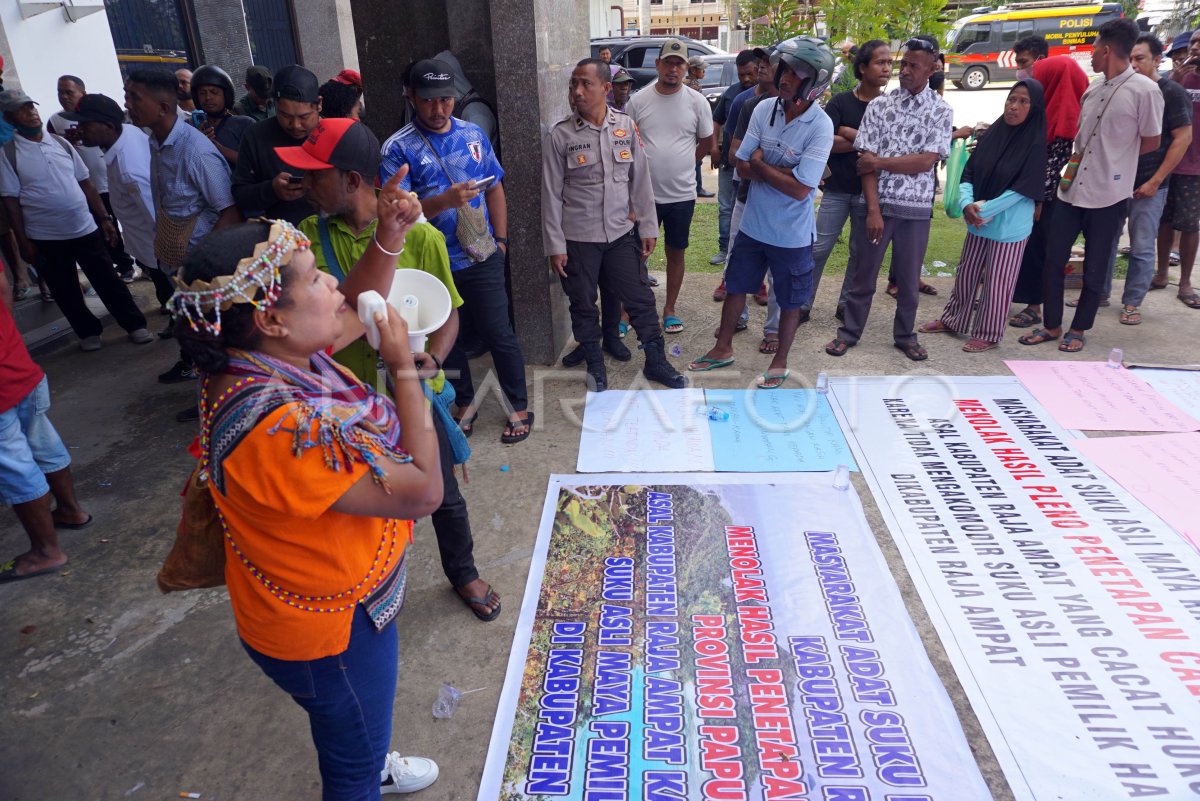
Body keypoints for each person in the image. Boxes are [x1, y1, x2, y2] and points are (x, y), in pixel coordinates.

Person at [172, 181, 444, 796]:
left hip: (323, 603)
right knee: (350, 765)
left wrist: (389, 240)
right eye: (318, 276)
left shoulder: (260, 359)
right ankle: (367, 764)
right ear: (270, 317)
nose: (335, 285)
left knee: (356, 733)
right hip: (328, 632)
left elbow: (346, 308)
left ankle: (370, 751)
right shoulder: (281, 429)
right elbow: (423, 491)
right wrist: (405, 367)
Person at [282, 117, 503, 624]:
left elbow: (447, 313)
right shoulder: (304, 245)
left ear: (353, 180)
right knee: (365, 502)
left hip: (414, 392)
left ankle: (463, 572)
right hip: (342, 402)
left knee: (442, 493)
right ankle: (374, 582)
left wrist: (434, 358)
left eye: (316, 176)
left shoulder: (421, 239)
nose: (304, 187)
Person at [381, 58, 532, 443]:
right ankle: (465, 402)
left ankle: (518, 405)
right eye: (429, 100)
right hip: (432, 262)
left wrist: (502, 241)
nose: (439, 109)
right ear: (411, 96)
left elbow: (495, 186)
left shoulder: (473, 135)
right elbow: (399, 214)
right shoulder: (397, 149)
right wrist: (443, 202)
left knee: (500, 332)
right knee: (450, 337)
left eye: (446, 100)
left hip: (482, 254)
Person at [689, 37, 835, 388]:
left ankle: (780, 359)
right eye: (783, 69)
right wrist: (783, 171)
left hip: (792, 235)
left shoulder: (820, 126)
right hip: (754, 225)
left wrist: (763, 166)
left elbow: (802, 188)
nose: (784, 78)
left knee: (789, 300)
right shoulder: (762, 109)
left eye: (795, 73)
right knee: (736, 285)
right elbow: (740, 164)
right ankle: (722, 347)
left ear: (814, 81)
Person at [543, 58, 687, 393]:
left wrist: (648, 226)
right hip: (578, 238)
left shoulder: (624, 127)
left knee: (639, 298)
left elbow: (640, 180)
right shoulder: (561, 136)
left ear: (606, 89)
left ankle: (656, 361)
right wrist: (555, 246)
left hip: (621, 233)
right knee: (582, 303)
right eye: (572, 84)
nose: (576, 92)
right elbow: (549, 194)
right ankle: (594, 363)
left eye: (585, 84)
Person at [1020, 18, 1162, 353]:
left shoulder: (1145, 90)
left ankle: (1079, 328)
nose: (1092, 54)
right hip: (1072, 188)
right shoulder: (1094, 87)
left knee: (1096, 267)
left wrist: (1115, 161)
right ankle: (1052, 325)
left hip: (1110, 194)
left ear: (1107, 49)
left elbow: (1152, 141)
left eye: (1095, 47)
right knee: (1054, 259)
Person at [824, 36, 953, 362]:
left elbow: (925, 161)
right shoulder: (881, 106)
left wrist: (881, 162)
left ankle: (906, 336)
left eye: (914, 65)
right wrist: (872, 209)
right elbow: (863, 161)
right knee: (863, 276)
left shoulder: (940, 110)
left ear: (931, 68)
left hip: (917, 211)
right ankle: (849, 333)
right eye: (903, 63)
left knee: (909, 282)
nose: (905, 70)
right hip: (879, 207)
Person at [0, 89, 152, 351]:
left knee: (108, 280)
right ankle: (88, 332)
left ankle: (134, 324)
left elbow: (87, 184)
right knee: (65, 289)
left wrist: (104, 219)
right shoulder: (9, 154)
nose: (31, 112)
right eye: (22, 109)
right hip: (45, 234)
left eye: (31, 106)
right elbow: (11, 204)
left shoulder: (61, 143)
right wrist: (24, 242)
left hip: (83, 227)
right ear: (9, 118)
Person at [123, 70, 240, 385]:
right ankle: (208, 394)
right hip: (178, 263)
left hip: (202, 272)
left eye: (134, 97)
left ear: (162, 108)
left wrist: (197, 267)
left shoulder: (195, 151)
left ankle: (223, 398)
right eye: (127, 94)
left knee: (219, 341)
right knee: (198, 337)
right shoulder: (155, 142)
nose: (127, 103)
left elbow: (229, 212)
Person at [918, 80, 1047, 352]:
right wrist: (967, 205)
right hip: (977, 222)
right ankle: (953, 320)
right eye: (1012, 99)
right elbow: (970, 173)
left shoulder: (1035, 146)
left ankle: (988, 333)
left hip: (1008, 229)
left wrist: (981, 211)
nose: (1013, 106)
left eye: (1023, 101)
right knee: (966, 274)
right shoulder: (992, 135)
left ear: (1034, 109)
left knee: (998, 282)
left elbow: (1020, 191)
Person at [0, 268, 92, 583]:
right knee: (42, 441)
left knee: (15, 466)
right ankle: (70, 510)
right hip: (19, 366)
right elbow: (3, 286)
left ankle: (45, 551)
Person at [626, 39, 716, 334]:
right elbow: (624, 144)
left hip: (680, 195)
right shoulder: (638, 101)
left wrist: (685, 164)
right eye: (668, 63)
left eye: (679, 64)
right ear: (658, 65)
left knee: (676, 252)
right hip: (643, 196)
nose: (673, 69)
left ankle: (670, 309)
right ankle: (629, 312)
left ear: (686, 68)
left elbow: (706, 141)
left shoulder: (696, 101)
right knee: (636, 254)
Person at [806, 39, 891, 331]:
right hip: (837, 190)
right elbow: (825, 143)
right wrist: (862, 138)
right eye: (880, 62)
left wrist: (847, 132)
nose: (887, 68)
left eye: (889, 63)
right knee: (818, 248)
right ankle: (803, 303)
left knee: (859, 253)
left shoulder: (888, 107)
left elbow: (886, 149)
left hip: (870, 196)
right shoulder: (840, 102)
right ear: (863, 67)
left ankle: (846, 304)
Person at [1111, 35, 1191, 325]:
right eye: (1130, 58)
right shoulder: (1123, 88)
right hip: (1116, 182)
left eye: (1140, 58)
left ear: (1158, 60)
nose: (1133, 64)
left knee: (1142, 245)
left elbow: (1182, 139)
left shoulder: (1171, 92)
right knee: (1105, 240)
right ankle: (1099, 293)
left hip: (1149, 184)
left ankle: (1132, 302)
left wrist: (1156, 181)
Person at [1008, 52, 1089, 329]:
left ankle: (1034, 307)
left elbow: (1055, 167)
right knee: (1026, 249)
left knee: (1040, 251)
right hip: (1033, 196)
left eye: (1042, 76)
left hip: (1048, 202)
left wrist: (1039, 200)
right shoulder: (1049, 109)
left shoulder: (1065, 120)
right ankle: (1019, 298)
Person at [48, 74, 138, 282]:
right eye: (60, 92)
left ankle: (144, 263)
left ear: (82, 93)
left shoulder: (101, 113)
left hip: (111, 181)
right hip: (86, 187)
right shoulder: (55, 121)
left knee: (127, 221)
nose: (64, 97)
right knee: (103, 228)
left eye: (69, 92)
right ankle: (123, 265)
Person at [68, 94, 157, 284]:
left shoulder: (128, 170)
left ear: (108, 126)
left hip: (157, 253)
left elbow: (154, 216)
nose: (80, 130)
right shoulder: (126, 132)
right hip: (148, 247)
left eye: (85, 125)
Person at [713, 46, 775, 310]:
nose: (754, 74)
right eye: (751, 70)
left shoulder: (798, 107)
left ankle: (760, 285)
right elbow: (735, 150)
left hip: (774, 190)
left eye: (762, 67)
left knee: (767, 242)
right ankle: (731, 285)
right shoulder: (743, 101)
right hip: (742, 179)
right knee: (738, 237)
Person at [233, 65, 322, 225]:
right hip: (282, 239)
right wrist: (271, 190)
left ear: (319, 104)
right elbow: (240, 194)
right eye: (285, 115)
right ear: (274, 104)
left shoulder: (335, 135)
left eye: (304, 117)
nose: (295, 125)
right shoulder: (255, 136)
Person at [1159, 28, 1200, 310]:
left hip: (1195, 166)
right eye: (1194, 41)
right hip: (1168, 160)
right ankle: (1161, 273)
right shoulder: (1180, 75)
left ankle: (1185, 282)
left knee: (1188, 224)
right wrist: (1175, 77)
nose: (1195, 47)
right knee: (1163, 220)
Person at [709, 50, 759, 266]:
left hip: (753, 167)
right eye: (741, 75)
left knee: (748, 208)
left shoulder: (768, 97)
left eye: (750, 73)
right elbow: (716, 121)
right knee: (725, 206)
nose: (746, 79)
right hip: (729, 161)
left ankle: (744, 250)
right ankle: (724, 248)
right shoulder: (732, 94)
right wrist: (713, 147)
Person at [190, 65, 254, 167]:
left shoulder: (244, 124)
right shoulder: (190, 127)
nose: (208, 97)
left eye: (214, 92)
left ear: (226, 95)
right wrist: (195, 140)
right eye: (202, 93)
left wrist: (217, 148)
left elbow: (256, 163)